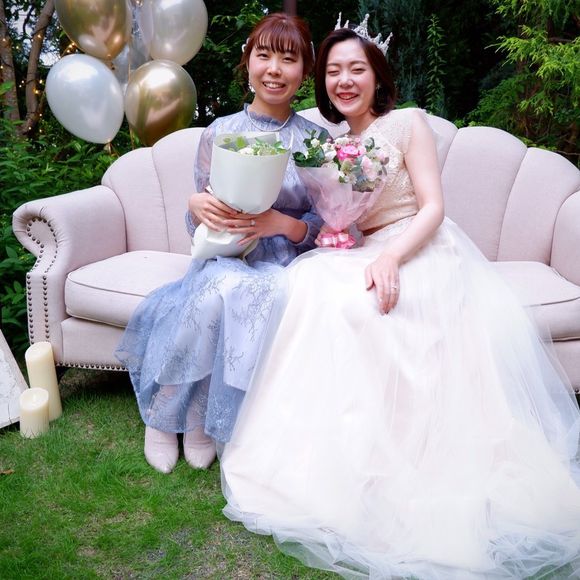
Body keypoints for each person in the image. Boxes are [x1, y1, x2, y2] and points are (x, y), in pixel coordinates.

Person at [219, 19, 580, 580]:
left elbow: (433, 208)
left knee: (377, 308)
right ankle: (331, 451)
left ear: (377, 76)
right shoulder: (329, 145)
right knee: (310, 287)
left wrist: (391, 257)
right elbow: (336, 215)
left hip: (420, 247)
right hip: (364, 251)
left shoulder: (410, 123)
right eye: (333, 71)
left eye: (356, 69)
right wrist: (338, 233)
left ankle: (404, 458)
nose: (344, 80)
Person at [116, 13, 326, 474]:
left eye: (288, 59)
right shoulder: (221, 132)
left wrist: (281, 224)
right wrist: (195, 207)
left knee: (246, 291)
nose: (274, 69)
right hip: (223, 256)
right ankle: (166, 412)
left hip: (282, 262)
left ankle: (200, 417)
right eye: (264, 55)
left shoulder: (314, 141)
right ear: (248, 61)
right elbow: (200, 225)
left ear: (304, 71)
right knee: (219, 288)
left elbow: (325, 225)